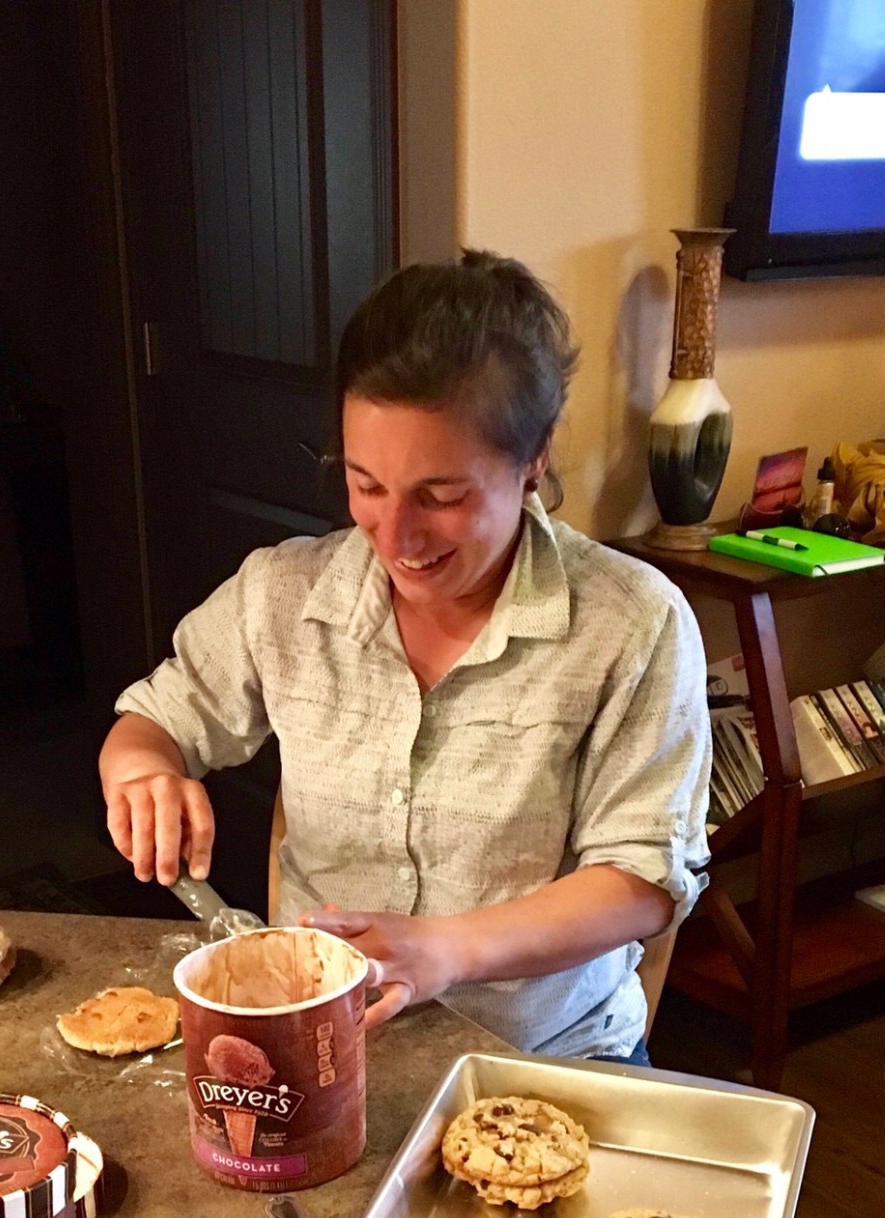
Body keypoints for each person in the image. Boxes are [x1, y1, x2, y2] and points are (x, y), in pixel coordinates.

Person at [100, 250, 710, 1064]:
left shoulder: (629, 623)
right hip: (322, 1048)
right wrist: (143, 773)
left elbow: (642, 880)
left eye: (441, 496)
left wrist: (449, 949)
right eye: (366, 485)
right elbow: (153, 720)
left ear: (534, 457)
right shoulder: (282, 594)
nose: (396, 536)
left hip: (542, 1057)